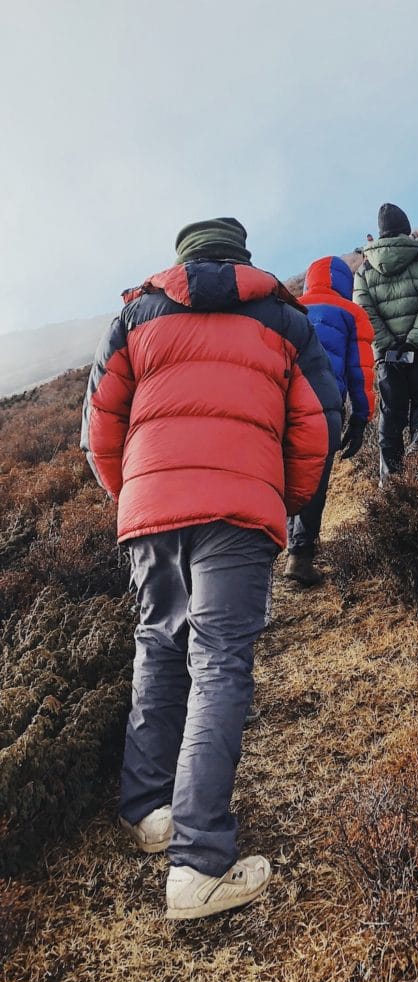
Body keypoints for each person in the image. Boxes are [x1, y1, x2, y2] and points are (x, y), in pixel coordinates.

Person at [81, 217, 342, 919]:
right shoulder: (284, 320)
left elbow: (98, 428)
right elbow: (319, 421)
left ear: (182, 259)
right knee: (220, 662)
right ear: (242, 258)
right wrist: (278, 499)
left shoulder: (133, 318)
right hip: (238, 510)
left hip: (149, 508)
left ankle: (149, 811)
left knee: (158, 646)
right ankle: (198, 864)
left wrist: (135, 495)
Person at [287, 256, 376, 584]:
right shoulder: (352, 313)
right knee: (315, 480)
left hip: (285, 403)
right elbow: (360, 372)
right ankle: (300, 557)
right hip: (326, 404)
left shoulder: (291, 307)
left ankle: (282, 549)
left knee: (286, 477)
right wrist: (361, 418)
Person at [354, 204, 418, 484]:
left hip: (387, 357)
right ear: (406, 227)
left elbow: (365, 313)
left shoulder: (364, 270)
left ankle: (391, 483)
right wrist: (413, 342)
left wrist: (390, 345)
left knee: (391, 416)